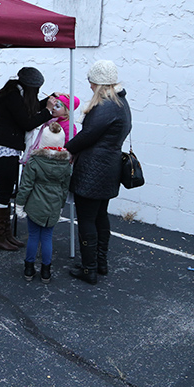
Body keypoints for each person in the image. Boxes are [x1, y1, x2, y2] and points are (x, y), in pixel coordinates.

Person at [65, 60, 131, 285]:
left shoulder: (104, 106)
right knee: (101, 216)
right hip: (110, 168)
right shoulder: (121, 103)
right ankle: (100, 263)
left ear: (98, 83)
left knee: (86, 219)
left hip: (92, 169)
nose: (90, 87)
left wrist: (67, 150)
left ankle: (88, 268)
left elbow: (87, 135)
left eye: (91, 83)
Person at [0, 67, 59, 251]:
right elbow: (27, 122)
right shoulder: (13, 96)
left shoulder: (14, 92)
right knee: (4, 193)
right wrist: (48, 111)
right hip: (3, 150)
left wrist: (48, 99)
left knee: (7, 191)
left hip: (6, 149)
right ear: (30, 87)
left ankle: (6, 234)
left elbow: (29, 111)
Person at [15, 121, 72, 284]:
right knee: (47, 237)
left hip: (34, 204)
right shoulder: (66, 164)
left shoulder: (34, 161)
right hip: (53, 205)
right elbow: (64, 187)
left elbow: (26, 185)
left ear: (44, 141)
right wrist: (61, 206)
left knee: (33, 236)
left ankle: (29, 268)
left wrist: (19, 204)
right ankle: (46, 271)